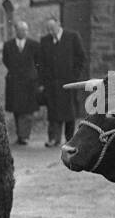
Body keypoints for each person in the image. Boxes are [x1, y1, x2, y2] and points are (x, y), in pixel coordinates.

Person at [38, 16, 88, 145]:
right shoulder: (45, 41)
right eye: (48, 29)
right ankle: (53, 139)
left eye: (52, 28)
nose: (50, 31)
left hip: (68, 83)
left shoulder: (72, 37)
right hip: (52, 84)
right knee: (53, 112)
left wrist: (74, 77)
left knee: (69, 113)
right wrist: (43, 82)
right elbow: (41, 63)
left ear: (58, 24)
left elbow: (81, 58)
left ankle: (69, 139)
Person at [1, 19, 41, 145]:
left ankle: (24, 136)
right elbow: (6, 60)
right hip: (15, 82)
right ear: (16, 31)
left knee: (27, 111)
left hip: (29, 82)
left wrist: (33, 75)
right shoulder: (8, 45)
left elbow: (38, 62)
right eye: (21, 30)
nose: (23, 32)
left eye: (25, 30)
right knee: (17, 109)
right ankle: (20, 134)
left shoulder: (34, 45)